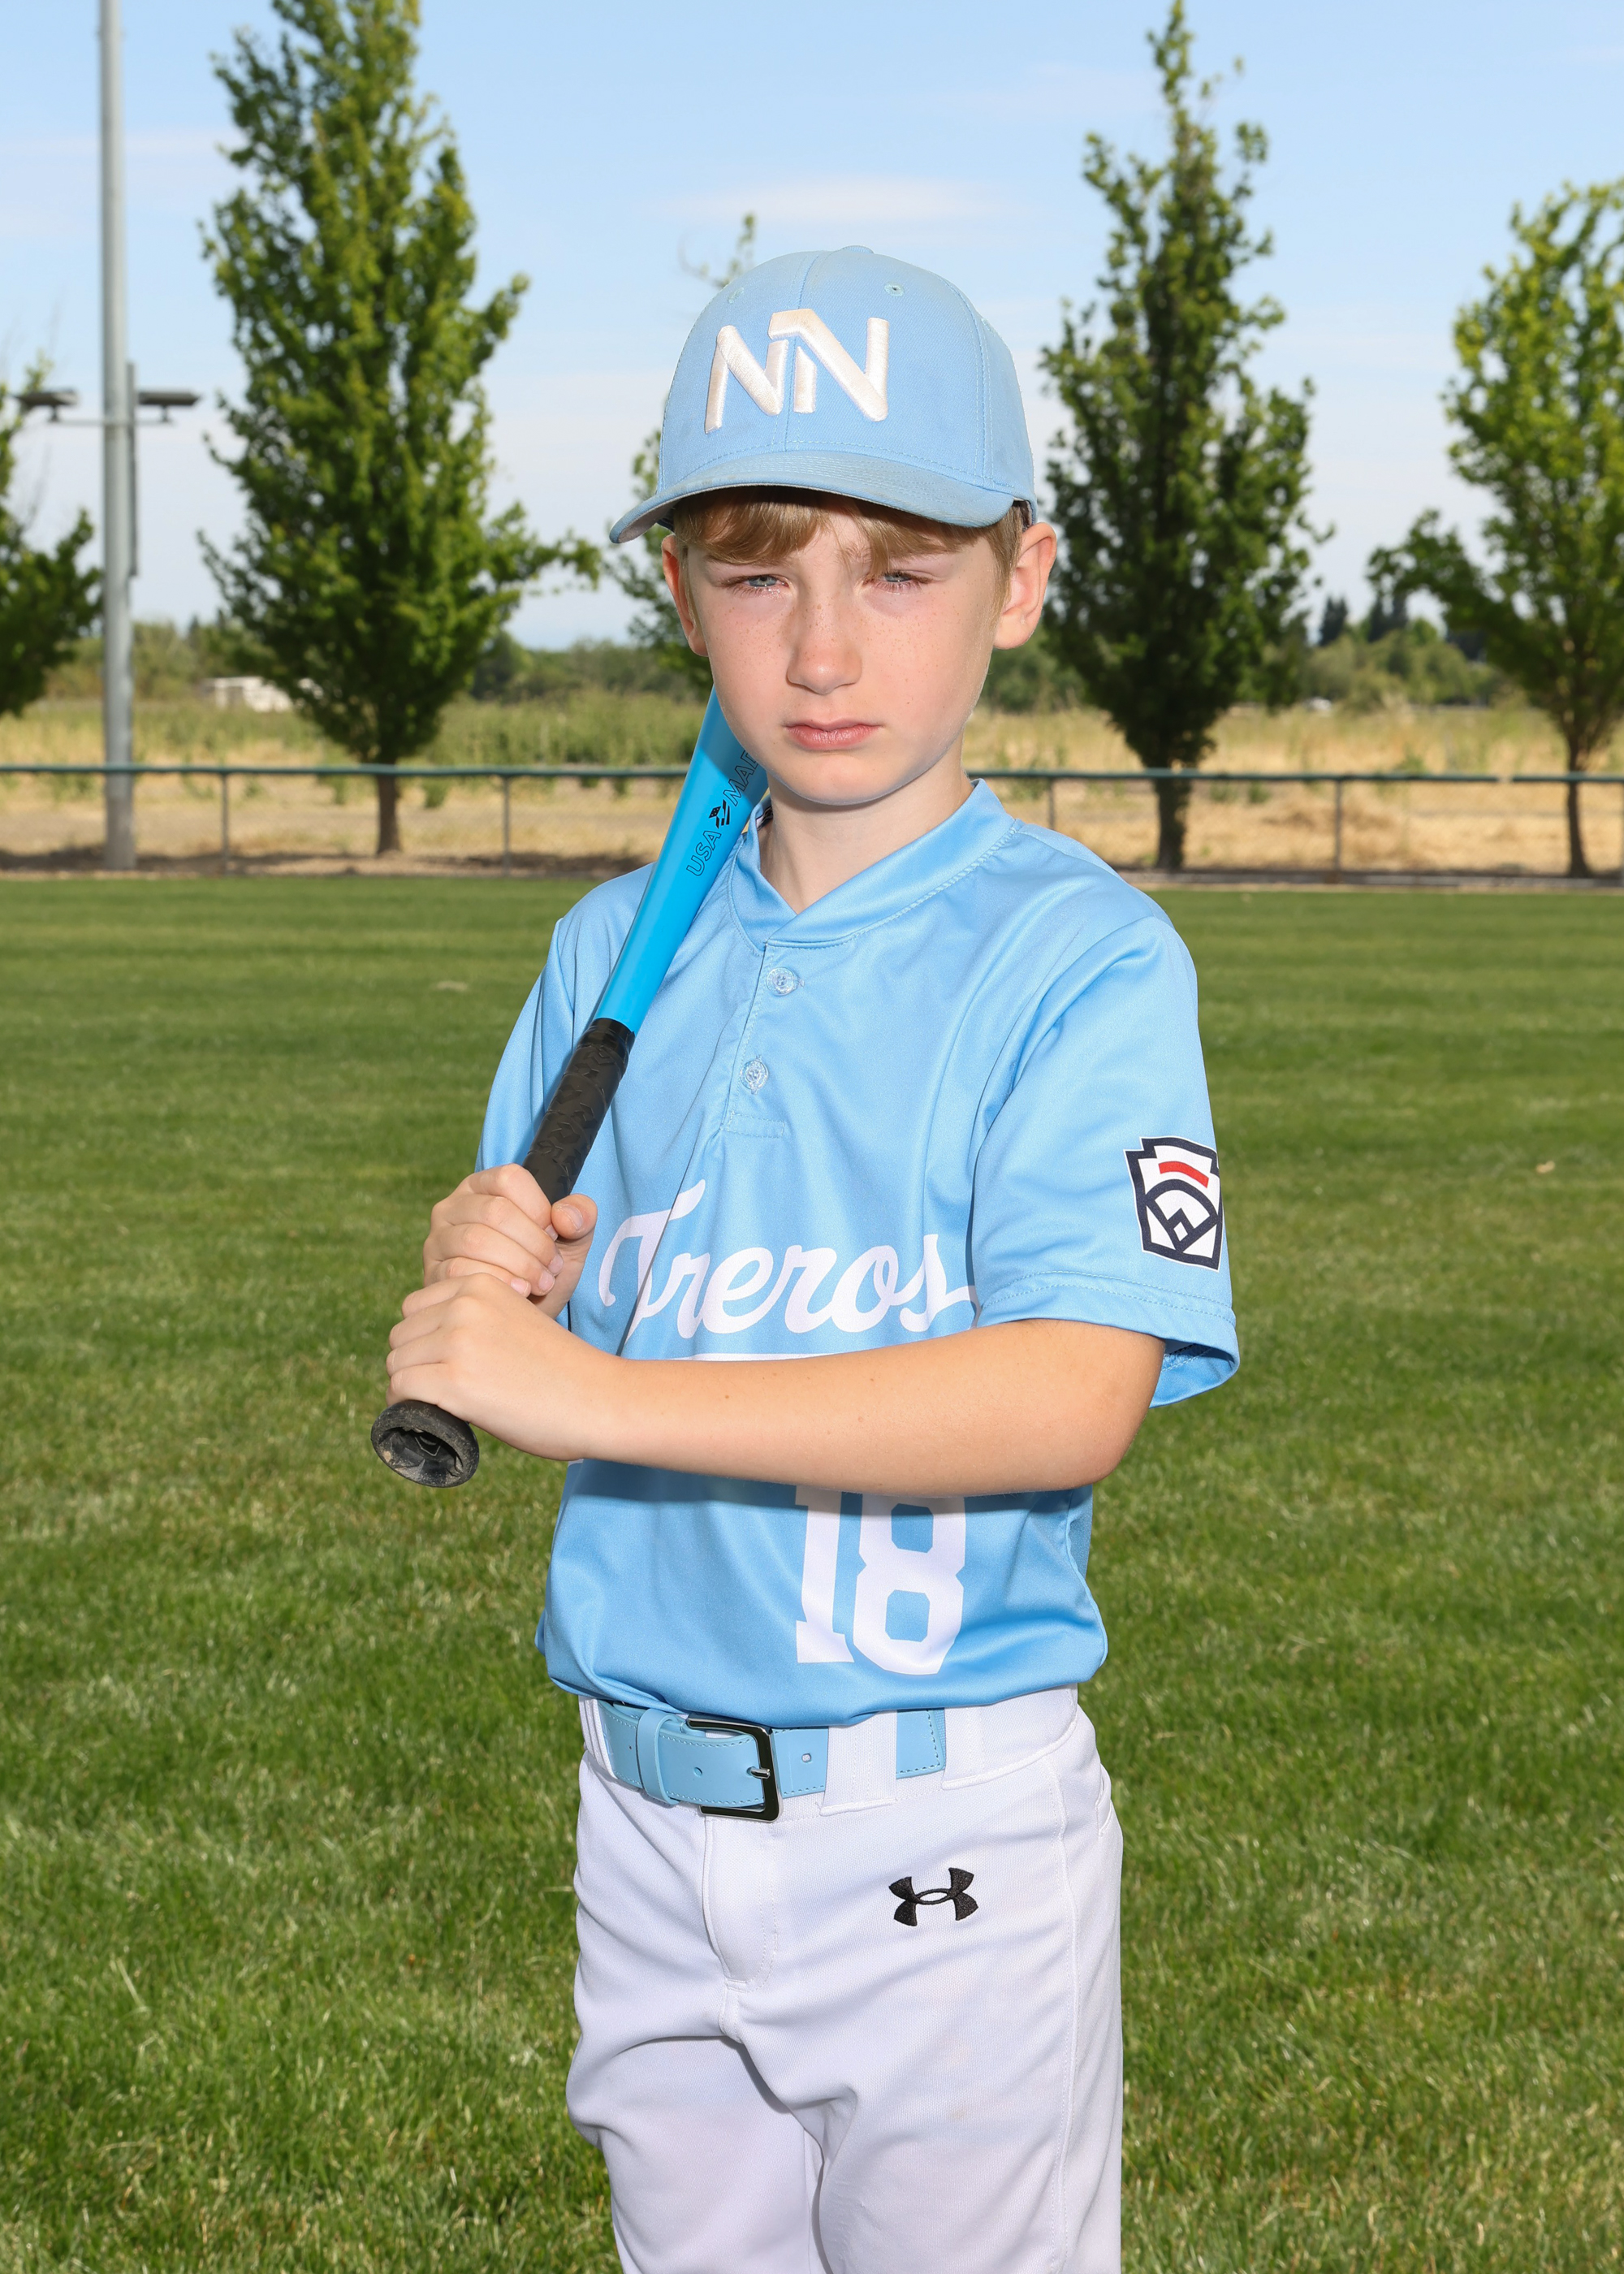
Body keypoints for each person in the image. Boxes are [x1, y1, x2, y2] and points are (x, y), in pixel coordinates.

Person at [384, 247, 1237, 2274]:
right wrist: (490, 1264)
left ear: (1020, 580)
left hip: (940, 1832)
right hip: (643, 1815)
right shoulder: (609, 951)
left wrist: (588, 1391)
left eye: (902, 570)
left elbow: (1073, 1388)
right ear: (682, 594)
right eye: (760, 573)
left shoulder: (1079, 958)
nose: (826, 644)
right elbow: (554, 1299)